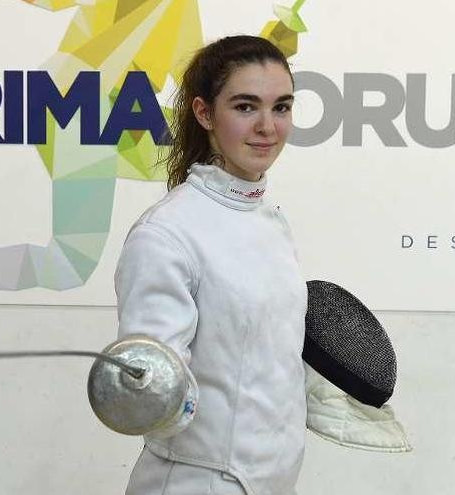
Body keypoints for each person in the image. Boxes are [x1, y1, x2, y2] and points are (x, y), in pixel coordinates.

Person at [115, 35, 305, 495]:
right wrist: (149, 391)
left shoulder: (270, 221)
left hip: (273, 481)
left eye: (281, 107)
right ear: (204, 114)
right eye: (245, 107)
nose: (267, 126)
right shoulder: (167, 234)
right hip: (198, 483)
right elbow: (157, 394)